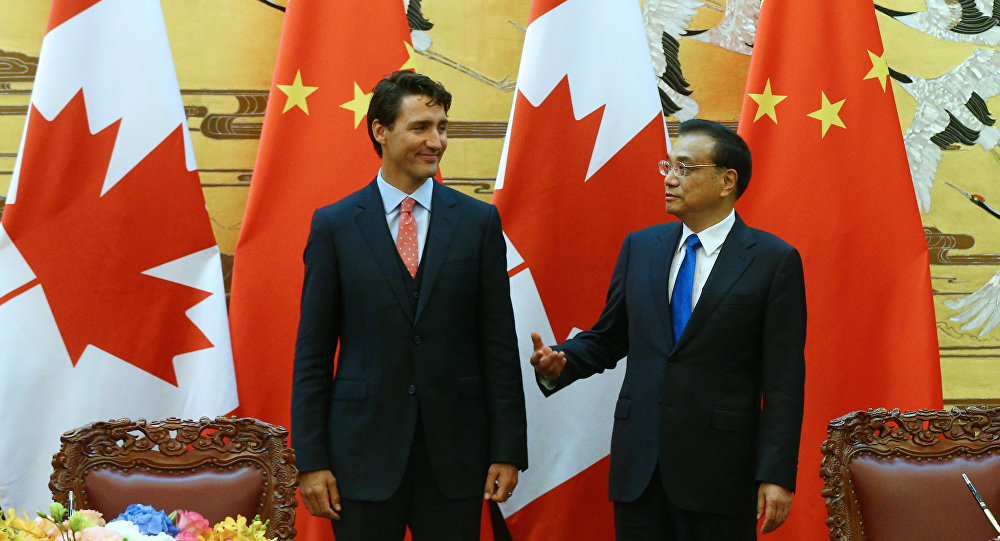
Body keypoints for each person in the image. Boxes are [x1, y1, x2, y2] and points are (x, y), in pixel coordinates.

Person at [530, 119, 806, 540]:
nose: (670, 179)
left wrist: (777, 475)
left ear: (726, 180)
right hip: (640, 466)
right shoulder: (641, 247)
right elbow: (610, 337)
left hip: (721, 473)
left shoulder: (772, 260)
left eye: (684, 168)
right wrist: (562, 361)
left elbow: (784, 381)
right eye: (667, 166)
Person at [291, 71, 528, 541]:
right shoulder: (335, 225)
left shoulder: (478, 222)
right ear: (380, 130)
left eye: (442, 127)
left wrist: (508, 449)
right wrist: (312, 460)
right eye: (421, 127)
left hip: (456, 458)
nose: (435, 140)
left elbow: (498, 343)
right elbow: (313, 354)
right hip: (360, 456)